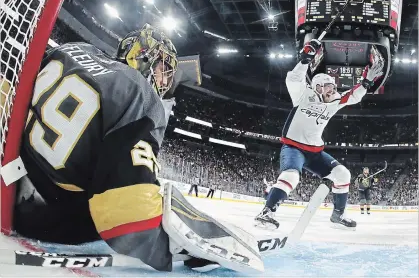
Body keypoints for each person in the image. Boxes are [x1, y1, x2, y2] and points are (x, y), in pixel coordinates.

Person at [14, 24, 263, 274]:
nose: (165, 81)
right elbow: (130, 220)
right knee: (162, 199)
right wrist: (174, 248)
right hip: (43, 218)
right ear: (143, 56)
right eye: (163, 69)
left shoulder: (74, 50)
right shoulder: (141, 95)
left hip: (13, 184)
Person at [255, 38, 383, 230]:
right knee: (291, 176)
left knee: (343, 174)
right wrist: (305, 59)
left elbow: (354, 95)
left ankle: (338, 216)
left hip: (315, 152)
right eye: (328, 86)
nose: (333, 89)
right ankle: (266, 213)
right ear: (317, 88)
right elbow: (293, 78)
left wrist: (367, 81)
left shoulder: (335, 100)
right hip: (293, 148)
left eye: (333, 86)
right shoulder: (303, 95)